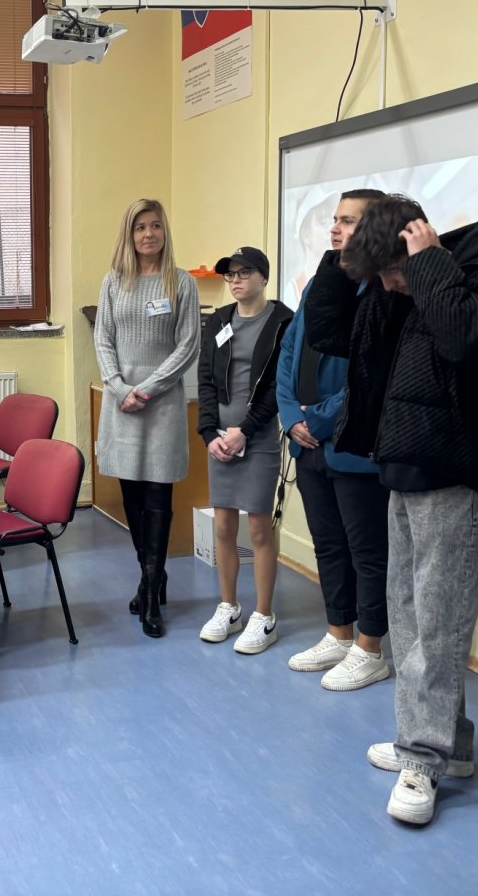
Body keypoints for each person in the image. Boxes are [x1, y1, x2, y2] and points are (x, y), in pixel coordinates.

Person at [306, 195, 478, 827]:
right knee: (409, 619)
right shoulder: (398, 285)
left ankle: (423, 756)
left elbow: (465, 341)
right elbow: (330, 333)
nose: (386, 287)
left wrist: (428, 265)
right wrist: (341, 256)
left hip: (454, 473)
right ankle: (445, 742)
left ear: (416, 245)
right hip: (402, 468)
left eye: (391, 272)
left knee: (438, 622)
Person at [276, 189, 393, 690]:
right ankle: (339, 634)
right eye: (335, 219)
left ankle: (370, 648)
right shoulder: (323, 281)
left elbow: (373, 376)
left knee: (366, 551)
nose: (335, 229)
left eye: (348, 221)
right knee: (328, 545)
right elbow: (289, 351)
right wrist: (290, 417)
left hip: (351, 442)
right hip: (306, 442)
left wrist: (319, 420)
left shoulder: (385, 291)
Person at [94, 198, 201, 638]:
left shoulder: (182, 283)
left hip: (162, 405)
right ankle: (151, 576)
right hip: (122, 404)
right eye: (140, 227)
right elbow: (103, 339)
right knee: (133, 499)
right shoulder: (114, 281)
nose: (148, 234)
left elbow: (188, 344)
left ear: (164, 231)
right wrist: (121, 388)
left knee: (158, 498)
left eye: (155, 225)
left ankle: (152, 594)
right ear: (130, 234)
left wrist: (149, 388)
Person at [195, 247, 293, 653]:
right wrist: (209, 433)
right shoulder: (220, 320)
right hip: (220, 439)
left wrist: (245, 431)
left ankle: (264, 616)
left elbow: (278, 386)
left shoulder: (283, 321)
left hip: (259, 439)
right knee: (223, 526)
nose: (235, 280)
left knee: (257, 529)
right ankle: (229, 607)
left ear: (263, 277)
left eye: (244, 273)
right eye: (230, 275)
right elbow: (205, 378)